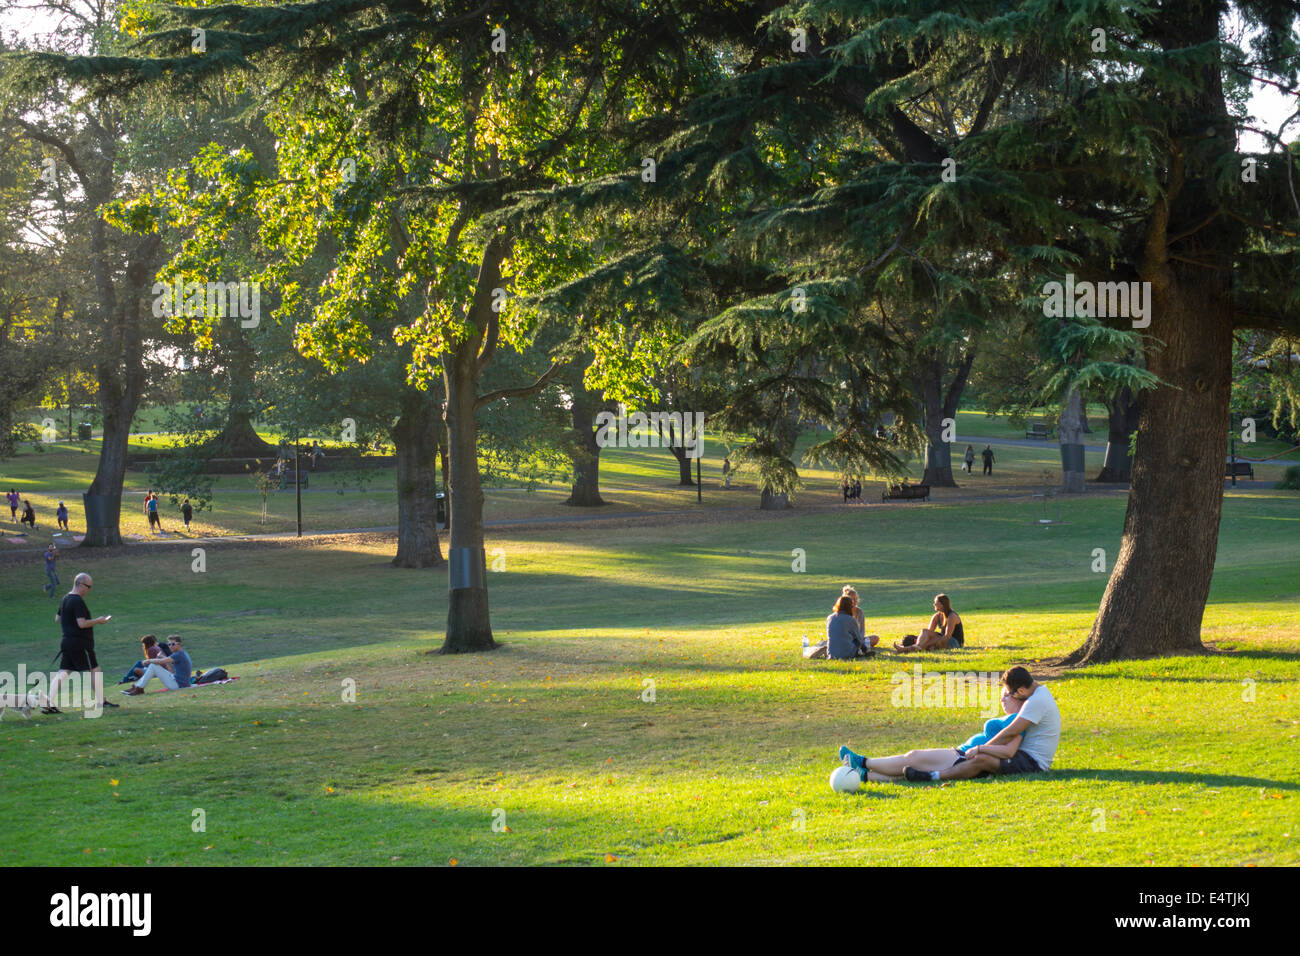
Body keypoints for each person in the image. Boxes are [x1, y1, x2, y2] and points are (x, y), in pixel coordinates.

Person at [839, 682, 1027, 781]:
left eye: (1005, 697)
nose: (1002, 701)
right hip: (963, 755)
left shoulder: (1017, 720)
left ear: (1017, 696)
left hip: (963, 757)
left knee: (913, 757)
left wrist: (978, 749)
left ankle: (861, 761)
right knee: (904, 773)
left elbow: (1009, 750)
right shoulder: (1012, 719)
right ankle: (862, 775)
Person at [906, 666, 1060, 781]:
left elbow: (1011, 732)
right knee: (983, 760)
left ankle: (933, 776)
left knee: (982, 759)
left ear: (1020, 690)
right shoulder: (1040, 693)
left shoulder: (1035, 702)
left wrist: (982, 749)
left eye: (1011, 693)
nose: (1011, 697)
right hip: (1023, 755)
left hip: (1032, 762)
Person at [46, 572, 118, 713]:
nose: (89, 590)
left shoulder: (65, 598)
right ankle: (101, 701)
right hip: (80, 643)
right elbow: (82, 623)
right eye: (88, 586)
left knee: (63, 672)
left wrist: (69, 623)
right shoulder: (77, 601)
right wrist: (99, 620)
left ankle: (48, 702)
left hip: (66, 641)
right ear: (79, 584)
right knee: (95, 670)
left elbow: (57, 618)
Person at [122, 635, 193, 695]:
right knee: (153, 666)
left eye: (173, 644)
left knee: (153, 665)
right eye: (169, 644)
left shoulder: (179, 654)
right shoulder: (181, 653)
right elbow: (171, 670)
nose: (170, 646)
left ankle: (138, 688)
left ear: (179, 644)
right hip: (178, 681)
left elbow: (161, 661)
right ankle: (138, 687)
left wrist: (148, 660)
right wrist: (163, 659)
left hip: (179, 685)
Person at [894, 593, 964, 652]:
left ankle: (910, 648)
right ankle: (916, 647)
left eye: (935, 603)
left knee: (926, 643)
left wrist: (930, 644)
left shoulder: (952, 616)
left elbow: (947, 636)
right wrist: (923, 641)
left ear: (942, 604)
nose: (933, 604)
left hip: (954, 642)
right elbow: (928, 633)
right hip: (943, 639)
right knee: (924, 631)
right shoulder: (937, 616)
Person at [825, 595, 871, 660]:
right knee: (856, 640)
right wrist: (865, 649)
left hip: (831, 654)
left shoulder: (830, 618)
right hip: (847, 654)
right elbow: (858, 639)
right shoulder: (850, 619)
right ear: (849, 607)